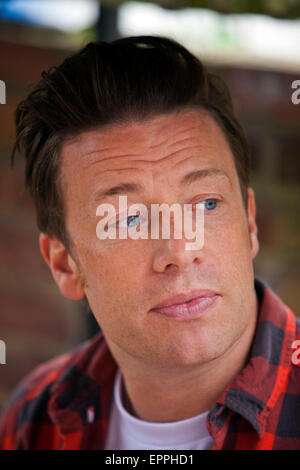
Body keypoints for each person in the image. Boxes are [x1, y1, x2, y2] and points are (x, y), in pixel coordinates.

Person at [0, 35, 299, 451]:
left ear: (248, 222)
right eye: (128, 220)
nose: (179, 250)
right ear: (65, 264)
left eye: (206, 203)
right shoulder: (34, 419)